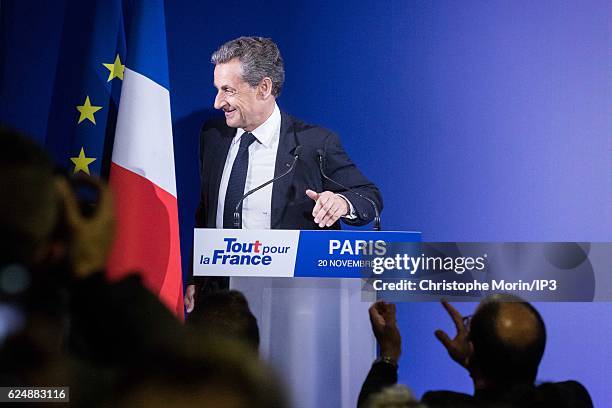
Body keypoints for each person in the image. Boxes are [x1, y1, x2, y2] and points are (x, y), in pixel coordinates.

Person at [185, 36, 383, 310]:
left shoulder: (314, 144)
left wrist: (342, 202)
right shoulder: (213, 136)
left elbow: (369, 198)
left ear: (263, 88)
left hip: (287, 301)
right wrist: (195, 277)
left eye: (228, 90)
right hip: (216, 298)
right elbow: (205, 212)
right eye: (218, 89)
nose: (218, 102)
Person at [359, 296, 594, 408]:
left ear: (472, 348)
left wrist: (388, 355)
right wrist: (476, 362)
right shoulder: (572, 399)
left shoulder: (442, 405)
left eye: (469, 323)